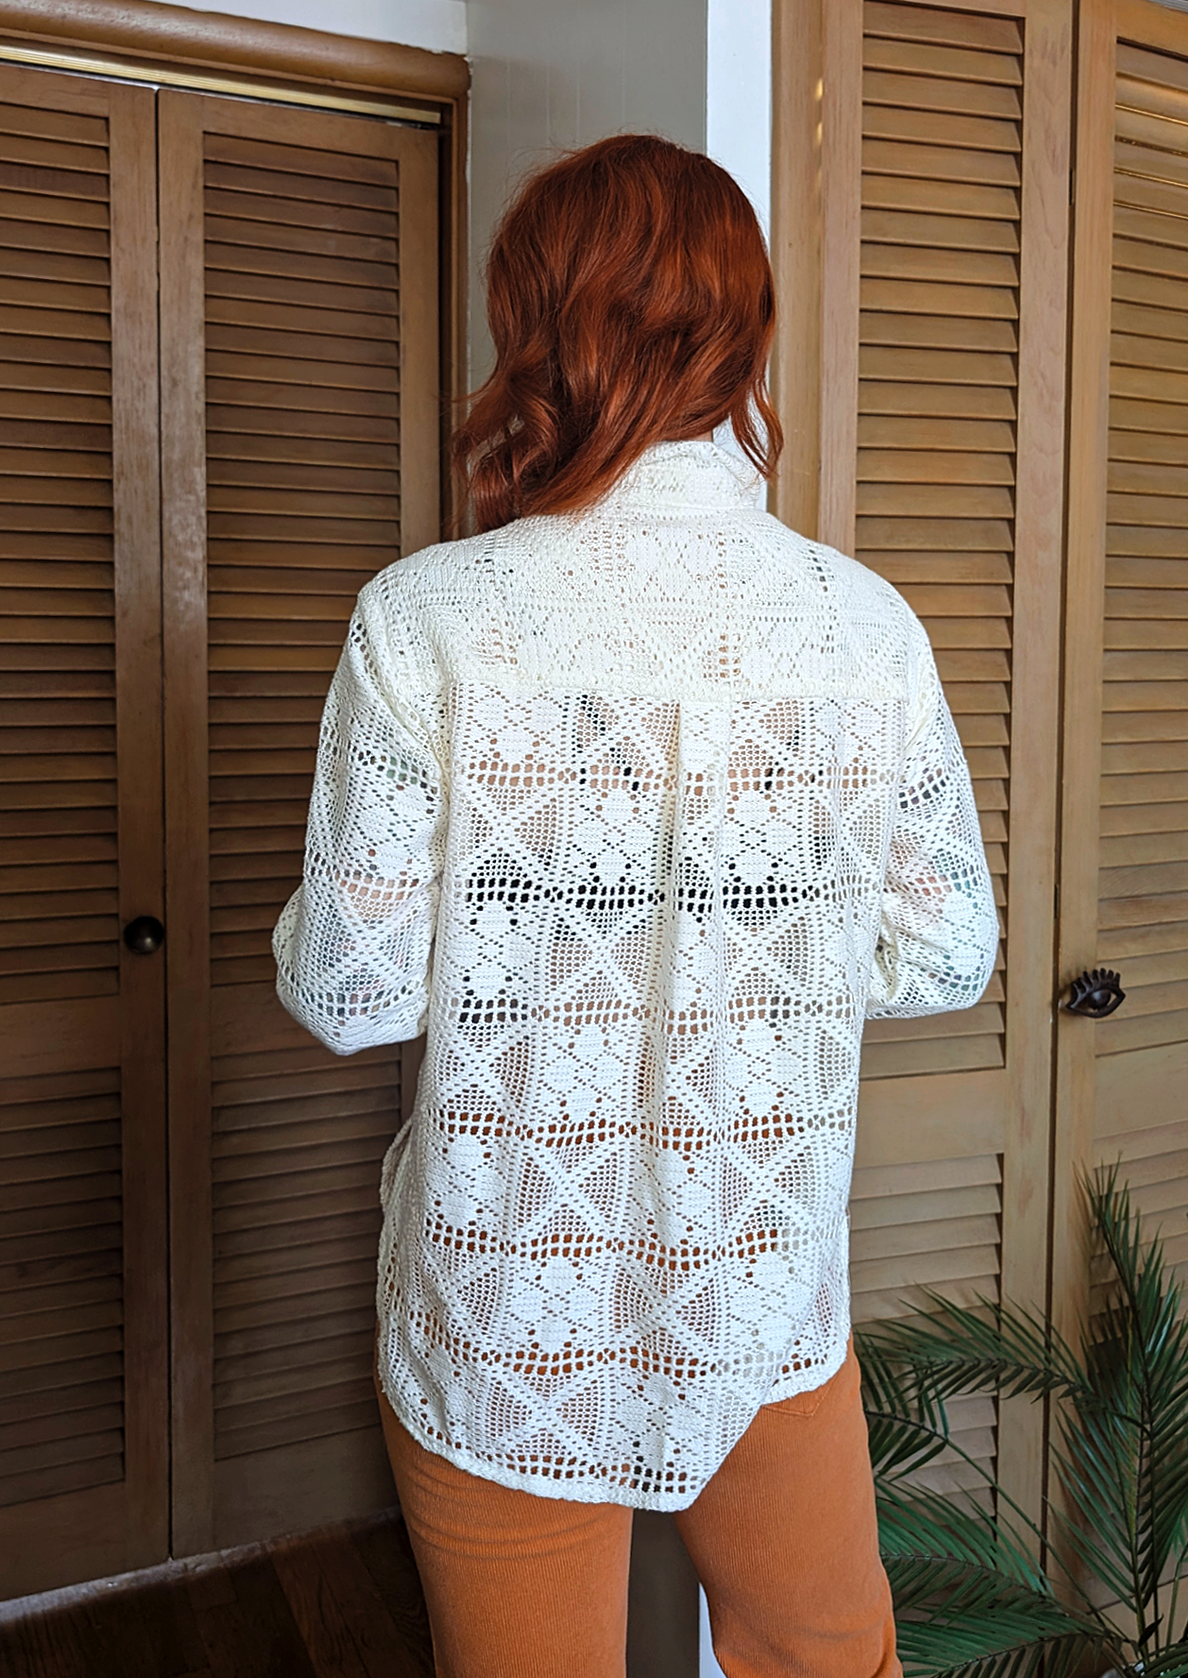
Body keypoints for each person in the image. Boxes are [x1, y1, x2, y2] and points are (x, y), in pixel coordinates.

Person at [272, 132, 999, 1678]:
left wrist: (538, 949)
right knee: (831, 1660)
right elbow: (947, 946)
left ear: (533, 325)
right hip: (755, 1287)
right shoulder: (862, 630)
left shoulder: (427, 620)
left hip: (503, 1294)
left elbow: (349, 989)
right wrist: (752, 952)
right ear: (742, 328)